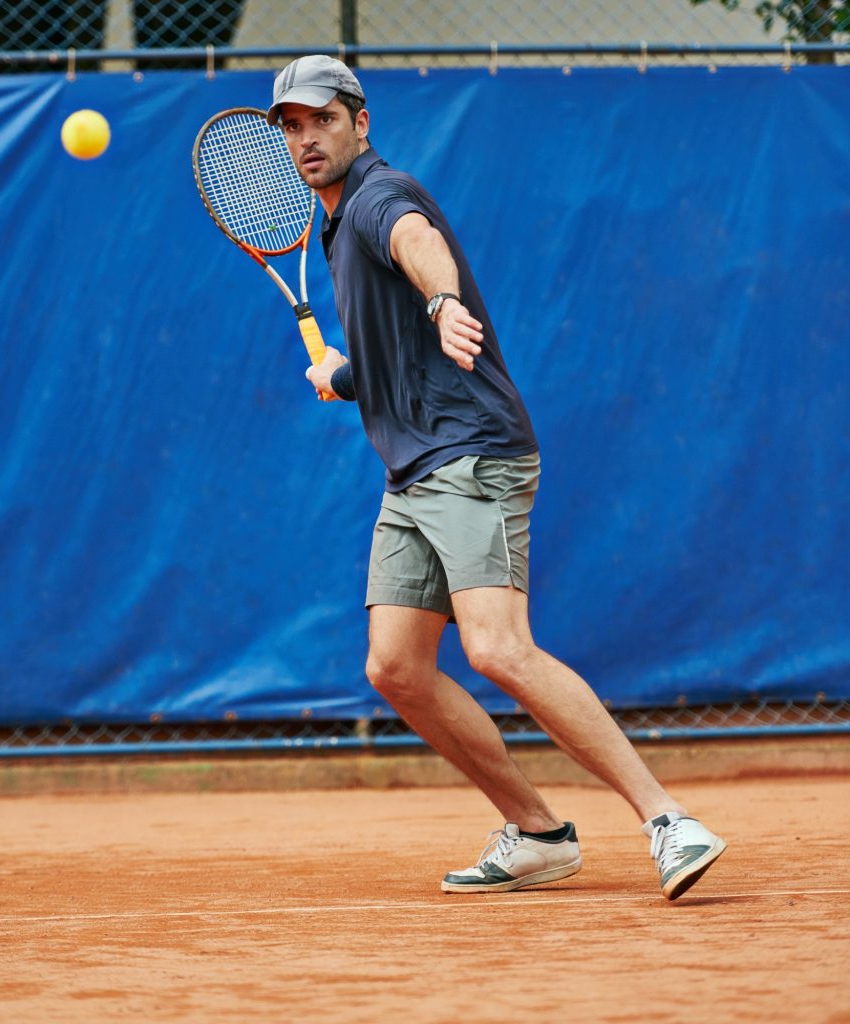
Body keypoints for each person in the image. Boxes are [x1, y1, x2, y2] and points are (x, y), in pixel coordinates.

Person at [266, 54, 727, 900]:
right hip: (414, 470)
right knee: (395, 669)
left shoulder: (376, 199)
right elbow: (392, 358)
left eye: (322, 120)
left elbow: (418, 243)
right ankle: (538, 832)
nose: (306, 139)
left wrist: (443, 301)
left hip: (471, 454)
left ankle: (669, 819)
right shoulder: (332, 227)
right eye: (291, 127)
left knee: (497, 647)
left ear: (360, 123)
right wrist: (344, 374)